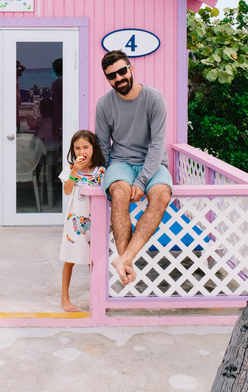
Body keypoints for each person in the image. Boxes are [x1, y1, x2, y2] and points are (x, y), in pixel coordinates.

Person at [95, 49, 173, 287]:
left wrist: (141, 182)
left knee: (161, 196)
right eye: (112, 76)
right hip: (121, 163)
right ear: (107, 79)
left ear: (131, 69)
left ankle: (124, 259)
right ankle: (126, 268)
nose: (118, 78)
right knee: (119, 192)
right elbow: (102, 145)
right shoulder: (104, 104)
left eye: (121, 71)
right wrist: (106, 175)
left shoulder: (154, 98)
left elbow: (158, 144)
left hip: (153, 161)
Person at [59, 130, 105, 312]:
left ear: (93, 148)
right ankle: (64, 297)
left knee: (94, 260)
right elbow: (67, 190)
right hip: (75, 221)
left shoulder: (101, 170)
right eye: (77, 148)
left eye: (86, 147)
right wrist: (75, 171)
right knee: (70, 259)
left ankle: (98, 298)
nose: (81, 152)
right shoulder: (72, 169)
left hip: (96, 220)